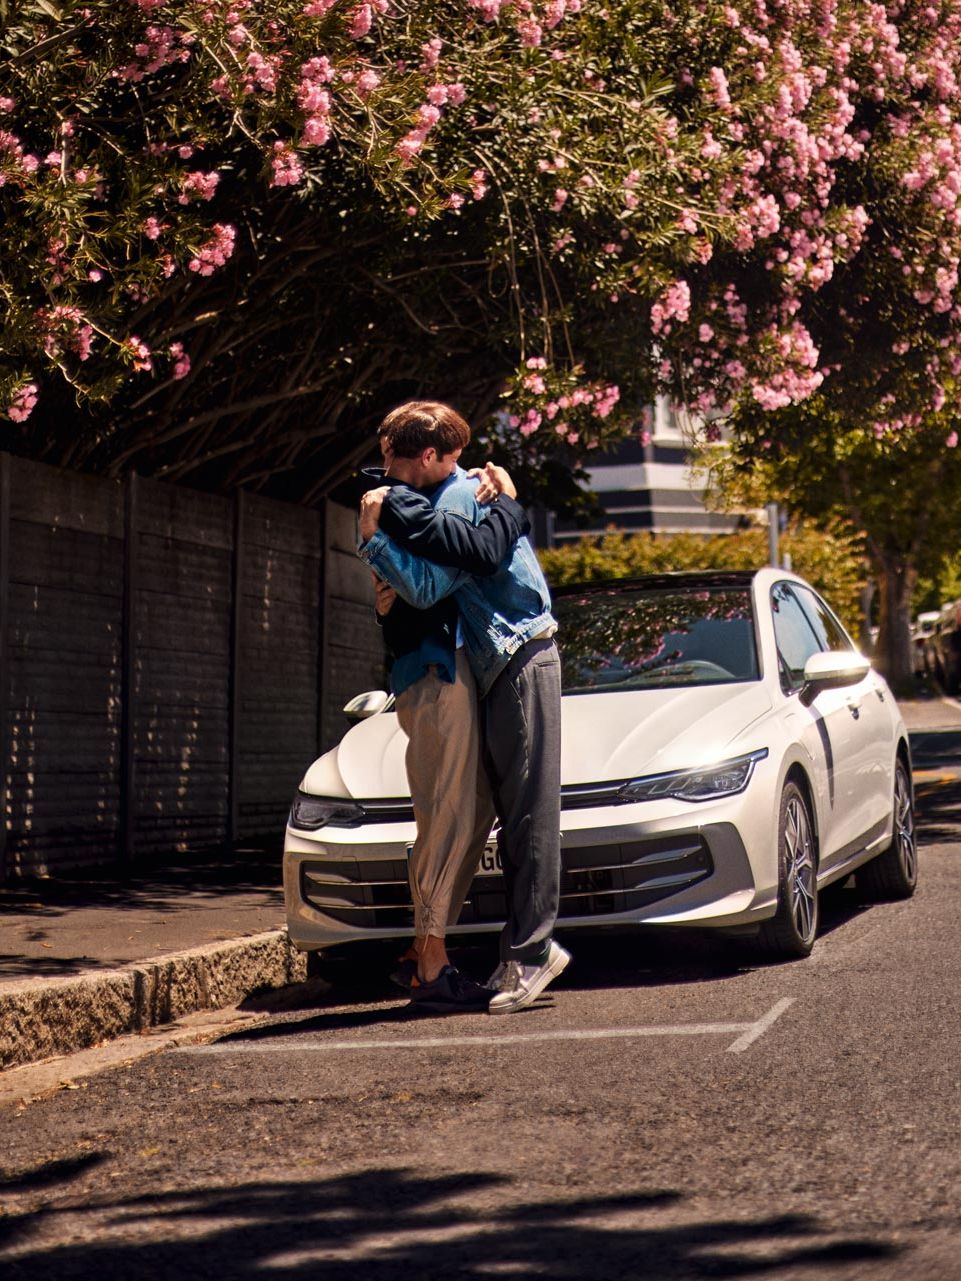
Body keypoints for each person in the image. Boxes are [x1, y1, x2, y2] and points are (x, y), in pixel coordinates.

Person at [359, 404, 570, 1015]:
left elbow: (428, 585)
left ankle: (531, 955)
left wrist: (375, 547)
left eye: (392, 460)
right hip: (494, 660)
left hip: (519, 651)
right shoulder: (436, 494)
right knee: (501, 808)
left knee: (529, 810)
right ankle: (472, 951)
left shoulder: (459, 495)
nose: (385, 472)